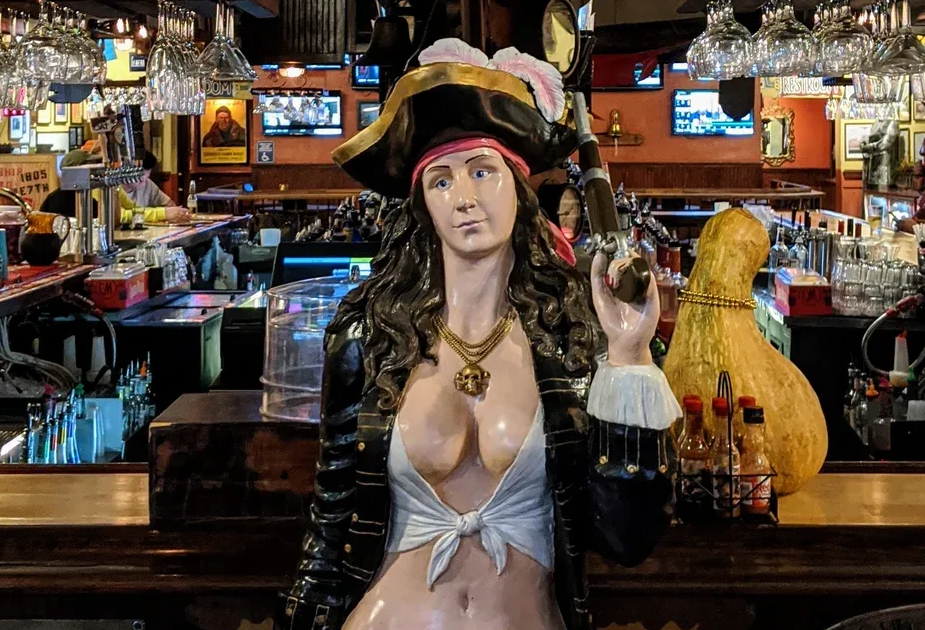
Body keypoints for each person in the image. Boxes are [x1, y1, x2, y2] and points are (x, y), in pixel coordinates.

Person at [283, 37, 675, 630]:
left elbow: (628, 541)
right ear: (422, 205)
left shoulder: (572, 337)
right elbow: (330, 524)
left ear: (518, 189)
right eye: (440, 181)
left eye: (482, 171)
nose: (463, 198)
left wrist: (629, 356)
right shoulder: (370, 334)